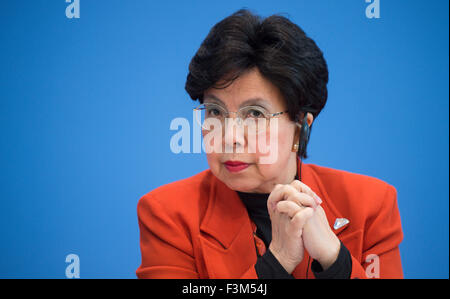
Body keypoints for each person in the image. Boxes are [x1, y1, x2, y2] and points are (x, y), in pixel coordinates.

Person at [136, 9, 403, 279]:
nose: (230, 137)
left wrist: (336, 261)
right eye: (215, 111)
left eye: (254, 114)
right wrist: (278, 262)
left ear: (301, 126)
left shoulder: (371, 205)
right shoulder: (167, 213)